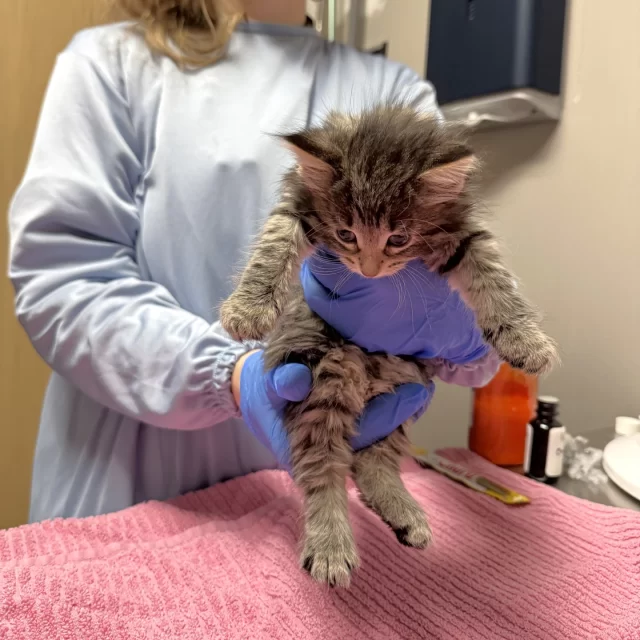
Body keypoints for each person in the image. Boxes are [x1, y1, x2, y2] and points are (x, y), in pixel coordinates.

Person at [8, 0, 499, 522]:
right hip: (126, 484)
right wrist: (233, 375)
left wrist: (460, 325)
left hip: (305, 502)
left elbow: (455, 272)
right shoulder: (115, 63)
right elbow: (66, 282)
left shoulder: (394, 92)